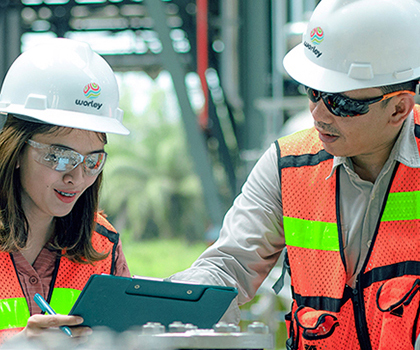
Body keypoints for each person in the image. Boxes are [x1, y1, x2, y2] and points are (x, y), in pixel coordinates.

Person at [171, 0, 420, 349]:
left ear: (398, 108)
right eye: (313, 92)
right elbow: (229, 266)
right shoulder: (287, 165)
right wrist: (170, 304)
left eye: (340, 102)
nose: (318, 113)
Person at [0, 38, 131, 344]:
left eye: (92, 161)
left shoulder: (102, 244)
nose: (76, 177)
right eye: (59, 157)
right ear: (16, 150)